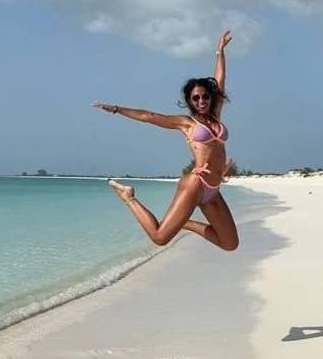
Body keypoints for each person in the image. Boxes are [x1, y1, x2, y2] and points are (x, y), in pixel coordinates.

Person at [92, 30, 239, 251]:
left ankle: (185, 223)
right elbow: (149, 116)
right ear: (190, 101)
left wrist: (219, 51)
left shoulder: (215, 115)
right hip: (195, 184)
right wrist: (115, 109)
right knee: (159, 237)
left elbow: (219, 80)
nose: (201, 100)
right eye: (196, 98)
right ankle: (128, 197)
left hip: (213, 188)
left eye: (205, 96)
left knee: (230, 244)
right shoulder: (186, 123)